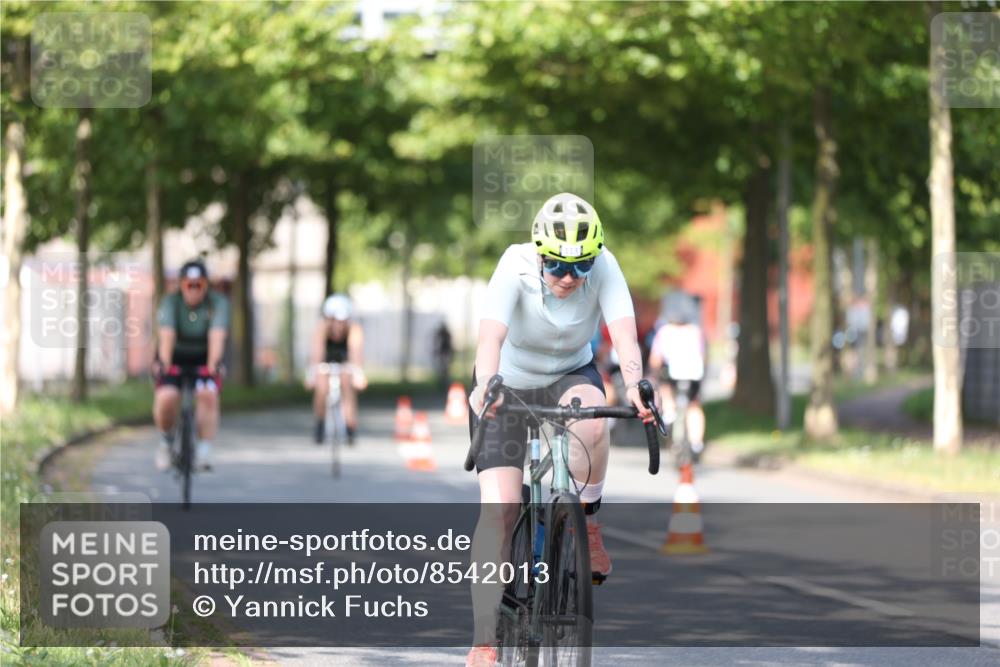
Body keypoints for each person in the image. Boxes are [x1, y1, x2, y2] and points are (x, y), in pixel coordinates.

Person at [465, 192, 656, 667]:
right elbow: (490, 337)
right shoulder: (515, 266)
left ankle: (587, 524)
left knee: (595, 415)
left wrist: (636, 384)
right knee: (500, 511)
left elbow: (625, 335)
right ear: (539, 254)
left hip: (570, 375)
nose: (569, 277)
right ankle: (485, 639)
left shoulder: (606, 267)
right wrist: (485, 385)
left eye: (580, 266)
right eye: (557, 266)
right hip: (507, 386)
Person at [152, 259, 229, 471]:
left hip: (204, 358)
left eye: (199, 285)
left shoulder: (217, 303)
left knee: (208, 395)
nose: (194, 291)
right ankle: (166, 442)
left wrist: (213, 365)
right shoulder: (170, 302)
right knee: (167, 397)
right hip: (175, 356)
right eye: (189, 285)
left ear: (206, 286)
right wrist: (165, 364)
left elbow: (217, 336)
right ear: (182, 285)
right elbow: (167, 336)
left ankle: (203, 451)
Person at [647, 290, 707, 461]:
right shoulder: (695, 331)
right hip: (693, 374)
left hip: (672, 374)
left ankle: (669, 413)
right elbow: (702, 354)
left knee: (665, 387)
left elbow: (656, 359)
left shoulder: (665, 331)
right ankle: (697, 442)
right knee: (694, 405)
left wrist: (653, 373)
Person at [306, 294, 367, 444]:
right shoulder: (321, 329)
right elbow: (316, 353)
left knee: (347, 383)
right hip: (325, 362)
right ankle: (320, 423)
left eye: (342, 321)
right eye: (334, 320)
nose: (338, 325)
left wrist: (359, 374)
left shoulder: (354, 330)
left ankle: (350, 425)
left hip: (345, 362)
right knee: (321, 386)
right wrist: (311, 374)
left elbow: (355, 352)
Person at [432, 321, 454, 390]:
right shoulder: (443, 333)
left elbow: (449, 344)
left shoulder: (446, 334)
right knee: (442, 369)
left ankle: (444, 383)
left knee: (445, 369)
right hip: (443, 352)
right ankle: (442, 382)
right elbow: (436, 341)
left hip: (445, 352)